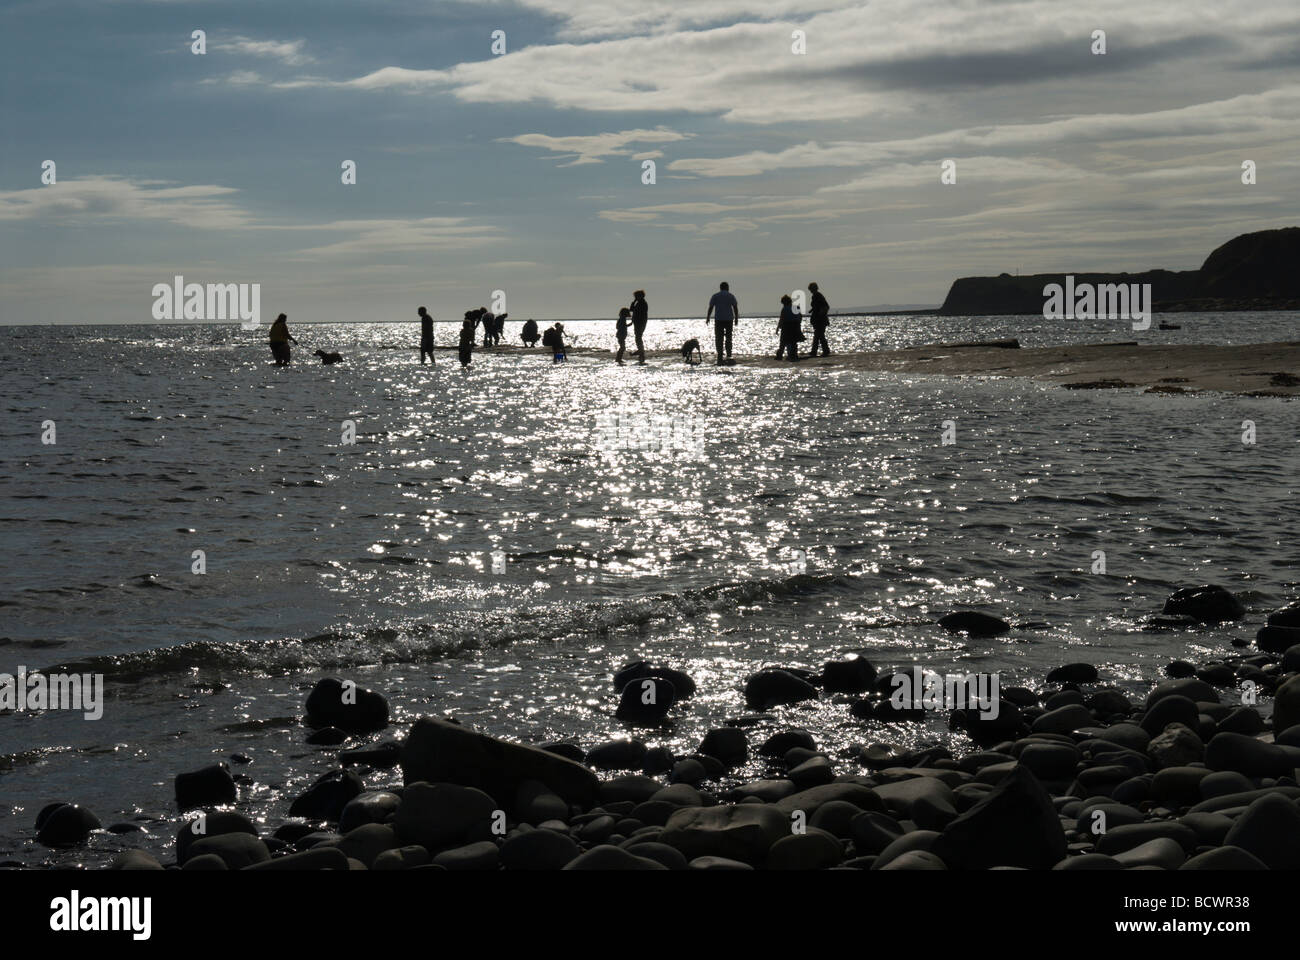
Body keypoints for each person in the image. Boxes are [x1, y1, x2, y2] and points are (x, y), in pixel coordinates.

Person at [705, 282, 739, 365]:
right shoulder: (731, 296)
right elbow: (735, 307)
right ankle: (729, 354)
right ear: (727, 288)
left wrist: (708, 317)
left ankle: (720, 355)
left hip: (719, 319)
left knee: (719, 338)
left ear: (720, 288)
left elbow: (711, 307)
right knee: (728, 338)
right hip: (728, 319)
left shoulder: (715, 296)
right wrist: (736, 318)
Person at [777, 294, 803, 361]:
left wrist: (778, 328)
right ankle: (793, 355)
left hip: (786, 326)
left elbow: (782, 319)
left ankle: (780, 355)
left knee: (783, 341)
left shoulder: (784, 309)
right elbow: (800, 317)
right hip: (795, 326)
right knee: (793, 342)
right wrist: (798, 325)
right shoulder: (796, 307)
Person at [808, 282, 830, 357]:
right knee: (818, 335)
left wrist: (820, 314)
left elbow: (825, 306)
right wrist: (812, 310)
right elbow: (818, 306)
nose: (810, 290)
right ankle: (815, 351)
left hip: (820, 319)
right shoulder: (816, 295)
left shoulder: (817, 295)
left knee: (819, 335)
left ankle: (824, 351)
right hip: (818, 318)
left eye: (811, 289)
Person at [630, 290, 649, 365]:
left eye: (636, 296)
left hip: (640, 323)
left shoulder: (642, 303)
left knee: (638, 337)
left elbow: (635, 311)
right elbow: (631, 309)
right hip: (638, 323)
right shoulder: (639, 303)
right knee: (638, 337)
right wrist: (634, 301)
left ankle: (641, 352)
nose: (635, 298)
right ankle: (640, 352)